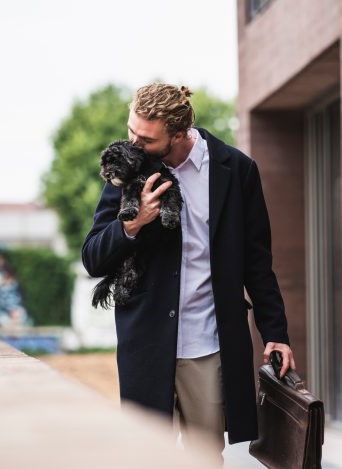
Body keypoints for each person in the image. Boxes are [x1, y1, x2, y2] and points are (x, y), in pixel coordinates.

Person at [82, 83, 295, 464]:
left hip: (208, 347)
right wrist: (133, 224)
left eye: (145, 139)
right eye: (131, 131)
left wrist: (276, 333)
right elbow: (93, 258)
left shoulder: (237, 170)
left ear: (178, 134)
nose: (133, 144)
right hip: (145, 343)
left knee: (204, 459)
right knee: (147, 459)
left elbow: (257, 262)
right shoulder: (128, 172)